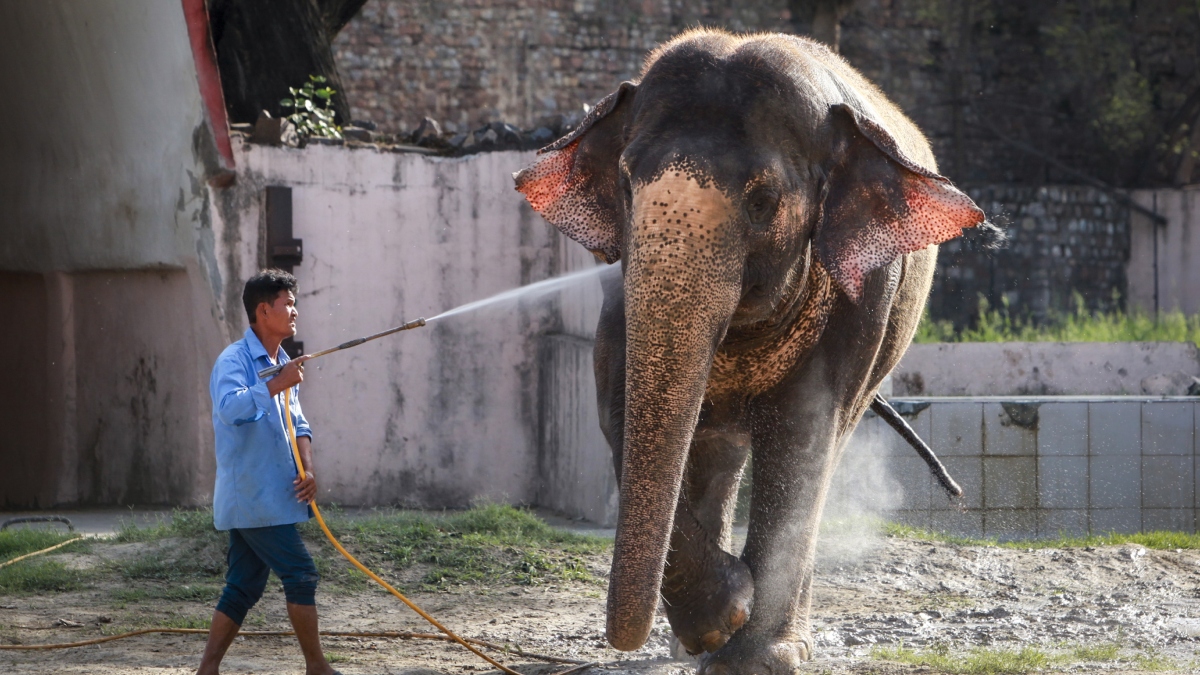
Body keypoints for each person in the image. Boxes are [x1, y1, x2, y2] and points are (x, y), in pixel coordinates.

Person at [197, 269, 338, 675]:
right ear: (263, 310)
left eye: (294, 304)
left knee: (244, 585)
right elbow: (229, 409)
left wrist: (308, 469)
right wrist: (277, 384)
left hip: (273, 498)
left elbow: (299, 423)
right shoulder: (234, 361)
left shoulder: (281, 363)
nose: (294, 312)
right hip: (252, 498)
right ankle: (317, 667)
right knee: (300, 573)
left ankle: (207, 670)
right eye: (287, 304)